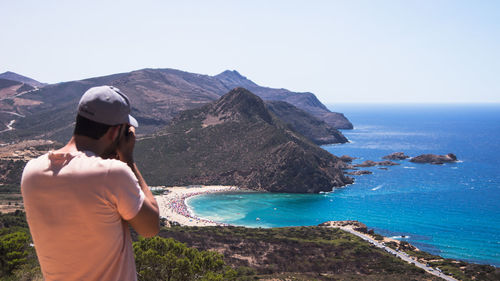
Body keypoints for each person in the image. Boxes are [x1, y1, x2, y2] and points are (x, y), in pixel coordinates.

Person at [21, 85, 160, 281]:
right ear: (115, 132)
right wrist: (128, 158)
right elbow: (150, 227)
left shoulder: (31, 172)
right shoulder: (112, 173)